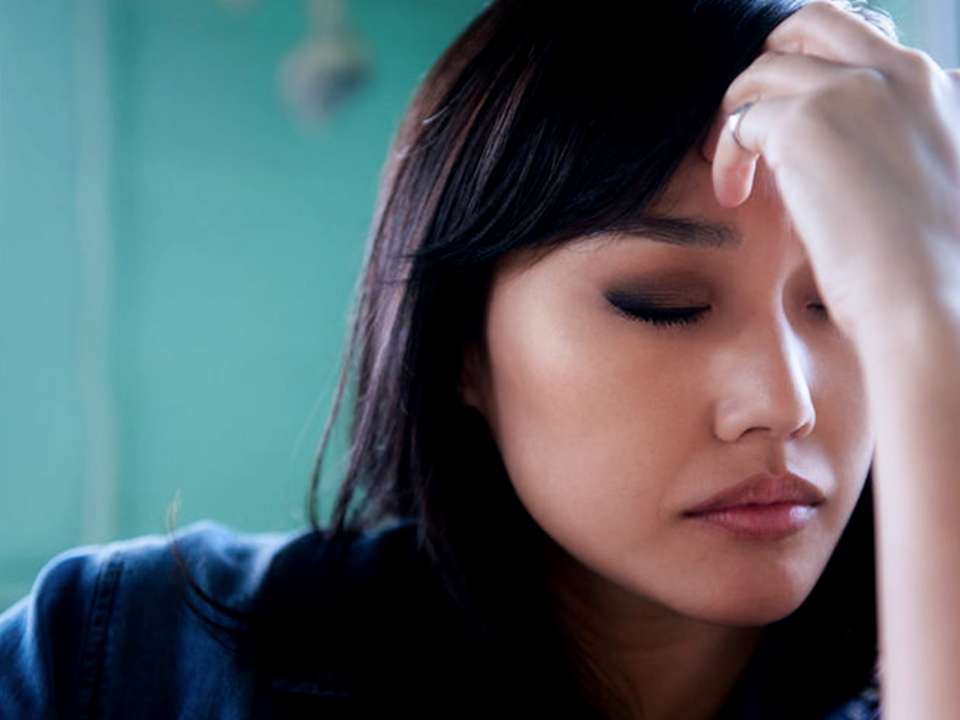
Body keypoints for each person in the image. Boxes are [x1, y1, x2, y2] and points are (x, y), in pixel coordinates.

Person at [2, 0, 959, 718]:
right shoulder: (124, 658)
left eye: (846, 304)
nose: (783, 403)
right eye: (661, 305)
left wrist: (929, 313)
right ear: (461, 343)